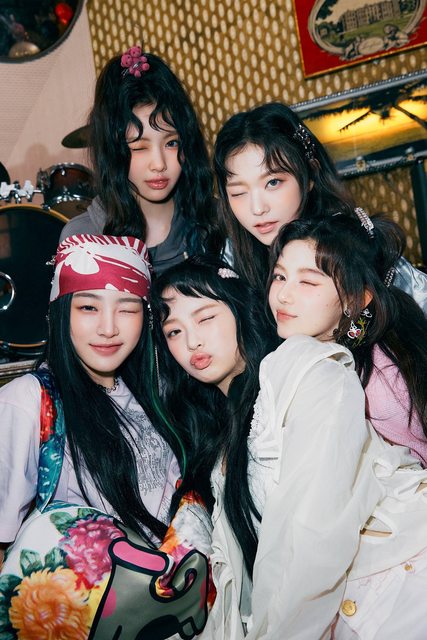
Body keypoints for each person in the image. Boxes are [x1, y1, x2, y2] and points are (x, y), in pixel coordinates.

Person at [152, 244, 427, 639]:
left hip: (403, 584)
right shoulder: (218, 447)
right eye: (174, 332)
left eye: (206, 317)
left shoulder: (300, 367)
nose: (192, 341)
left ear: (240, 310)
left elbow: (316, 527)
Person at [0, 234, 214, 640]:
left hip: (173, 615)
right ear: (60, 311)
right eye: (88, 307)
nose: (108, 328)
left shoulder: (157, 391)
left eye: (127, 308)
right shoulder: (28, 402)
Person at [213, 101, 427, 313]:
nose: (257, 208)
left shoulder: (358, 247)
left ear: (310, 176)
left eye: (273, 182)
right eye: (238, 192)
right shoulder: (228, 261)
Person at [59, 45, 222, 273]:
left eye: (171, 143)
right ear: (113, 152)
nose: (159, 164)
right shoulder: (82, 239)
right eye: (139, 147)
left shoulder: (219, 221)